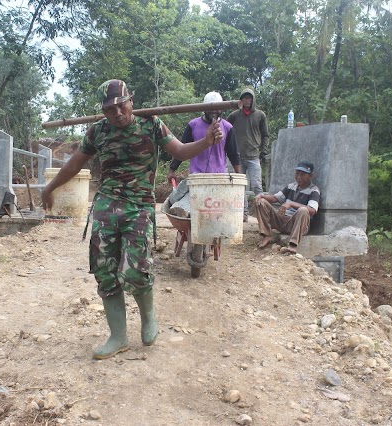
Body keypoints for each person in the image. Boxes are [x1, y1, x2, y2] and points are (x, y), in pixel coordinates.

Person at [41, 79, 223, 360]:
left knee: (136, 269)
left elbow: (179, 151)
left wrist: (206, 141)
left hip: (138, 206)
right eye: (109, 109)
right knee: (104, 269)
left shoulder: (151, 124)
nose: (116, 113)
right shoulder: (97, 132)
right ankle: (118, 336)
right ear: (103, 111)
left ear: (131, 101)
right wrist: (50, 187)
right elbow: (75, 163)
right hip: (106, 204)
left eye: (120, 105)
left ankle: (149, 316)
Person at [165, 91, 242, 217]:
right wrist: (172, 169)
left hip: (218, 178)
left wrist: (239, 176)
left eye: (217, 109)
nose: (214, 112)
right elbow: (182, 148)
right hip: (197, 178)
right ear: (204, 108)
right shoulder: (193, 125)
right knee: (197, 212)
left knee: (216, 214)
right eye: (211, 109)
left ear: (221, 109)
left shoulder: (227, 127)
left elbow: (233, 154)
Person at [254, 161, 320, 254]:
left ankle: (292, 245)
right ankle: (266, 235)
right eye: (297, 174)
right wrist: (261, 196)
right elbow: (274, 198)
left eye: (302, 174)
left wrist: (291, 204)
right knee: (261, 202)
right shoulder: (291, 186)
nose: (299, 177)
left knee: (303, 210)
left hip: (297, 225)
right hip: (282, 221)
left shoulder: (314, 191)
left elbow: (312, 210)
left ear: (310, 176)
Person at [227, 88, 269, 222]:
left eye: (249, 98)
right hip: (237, 158)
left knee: (257, 186)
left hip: (254, 156)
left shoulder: (260, 115)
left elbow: (265, 135)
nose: (247, 100)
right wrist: (227, 149)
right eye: (244, 98)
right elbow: (226, 129)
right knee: (240, 187)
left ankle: (263, 214)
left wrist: (263, 151)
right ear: (241, 100)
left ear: (253, 99)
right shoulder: (234, 115)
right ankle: (243, 214)